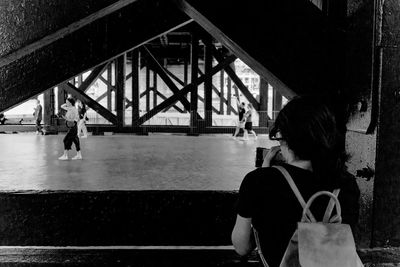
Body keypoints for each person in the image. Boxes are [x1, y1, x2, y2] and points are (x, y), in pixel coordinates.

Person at [231, 96, 360, 266]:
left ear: (286, 137)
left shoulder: (258, 181)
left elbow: (241, 247)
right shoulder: (347, 183)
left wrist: (264, 173)